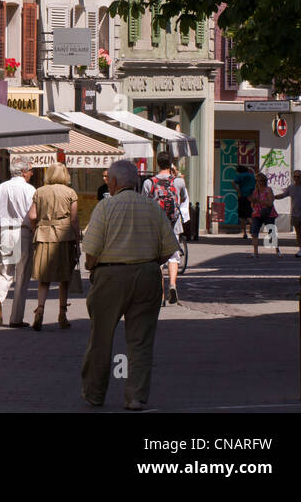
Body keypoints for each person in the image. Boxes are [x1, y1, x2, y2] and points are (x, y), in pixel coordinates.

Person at [80, 159, 178, 410]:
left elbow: (90, 251)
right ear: (135, 181)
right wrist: (151, 262)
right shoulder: (152, 207)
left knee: (101, 338)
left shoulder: (105, 207)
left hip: (110, 275)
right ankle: (135, 396)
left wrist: (92, 266)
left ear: (112, 182)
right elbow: (169, 249)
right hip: (146, 274)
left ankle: (94, 393)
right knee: (141, 341)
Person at [27, 162, 80, 331]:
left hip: (44, 235)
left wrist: (38, 228)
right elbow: (73, 220)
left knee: (44, 278)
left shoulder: (40, 191)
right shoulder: (70, 192)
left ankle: (39, 311)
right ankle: (62, 315)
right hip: (64, 237)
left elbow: (33, 215)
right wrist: (77, 239)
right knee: (64, 277)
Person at [0, 159, 36, 327]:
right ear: (23, 172)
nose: (31, 173)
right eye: (30, 170)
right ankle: (16, 318)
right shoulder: (30, 189)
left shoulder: (0, 188)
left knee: (4, 271)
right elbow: (33, 215)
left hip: (4, 231)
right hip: (22, 232)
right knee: (22, 276)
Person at [142, 152, 189, 304]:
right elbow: (183, 200)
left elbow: (144, 205)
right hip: (174, 225)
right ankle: (173, 285)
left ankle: (161, 294)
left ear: (157, 163)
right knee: (174, 257)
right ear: (170, 164)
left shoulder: (149, 182)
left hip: (156, 226)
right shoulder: (179, 182)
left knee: (158, 260)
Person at [249, 172, 281, 258]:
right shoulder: (255, 191)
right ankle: (255, 253)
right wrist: (253, 201)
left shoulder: (268, 190)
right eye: (257, 181)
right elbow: (252, 205)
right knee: (254, 233)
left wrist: (258, 201)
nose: (259, 183)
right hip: (257, 214)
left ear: (264, 181)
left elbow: (270, 203)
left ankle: (277, 250)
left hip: (268, 213)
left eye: (260, 181)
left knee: (271, 233)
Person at [235, 164, 257, 239]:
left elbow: (233, 182)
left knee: (242, 217)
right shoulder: (251, 176)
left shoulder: (240, 175)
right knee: (250, 215)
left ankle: (244, 233)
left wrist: (238, 191)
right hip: (250, 197)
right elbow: (255, 185)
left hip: (242, 196)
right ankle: (254, 230)